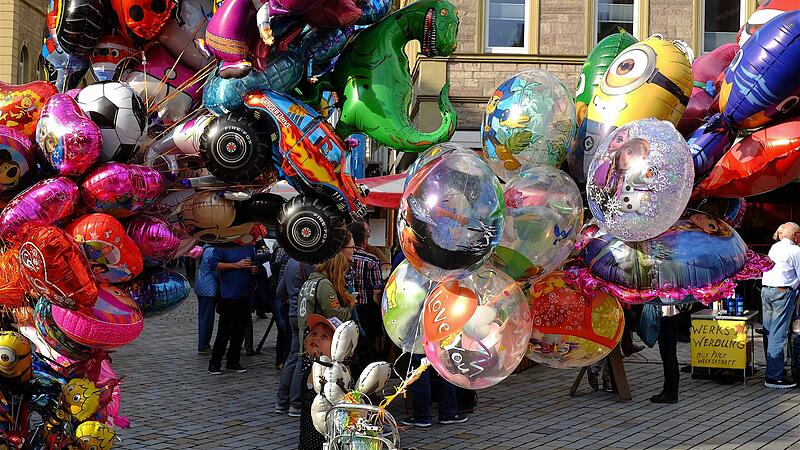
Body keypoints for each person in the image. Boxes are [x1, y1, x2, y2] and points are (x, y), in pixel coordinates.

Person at [275, 255, 316, 417]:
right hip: (304, 314)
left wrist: (291, 299)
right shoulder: (308, 262)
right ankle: (296, 403)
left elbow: (280, 291)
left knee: (292, 357)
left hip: (292, 313)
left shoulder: (291, 262)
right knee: (301, 358)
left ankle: (282, 401)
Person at [207, 243, 257, 375]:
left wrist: (253, 269)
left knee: (240, 330)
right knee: (224, 330)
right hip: (228, 295)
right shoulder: (224, 246)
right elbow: (214, 265)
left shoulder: (249, 246)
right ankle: (215, 363)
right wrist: (236, 265)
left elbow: (252, 263)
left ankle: (233, 361)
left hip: (244, 294)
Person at [761, 222, 800, 388]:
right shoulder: (796, 250)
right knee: (778, 334)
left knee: (769, 332)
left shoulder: (774, 248)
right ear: (795, 235)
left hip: (766, 290)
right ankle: (774, 377)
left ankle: (773, 369)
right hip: (782, 292)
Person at [297, 241, 356, 342]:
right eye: (343, 271)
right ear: (336, 269)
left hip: (307, 334)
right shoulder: (324, 285)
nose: (343, 275)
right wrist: (351, 305)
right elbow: (335, 315)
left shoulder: (310, 281)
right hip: (318, 338)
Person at [297, 314, 336, 450]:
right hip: (306, 443)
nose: (316, 338)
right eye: (313, 333)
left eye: (324, 336)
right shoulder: (309, 370)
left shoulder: (334, 375)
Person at [347, 222, 385, 353]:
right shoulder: (372, 260)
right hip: (366, 309)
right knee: (367, 344)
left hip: (347, 307)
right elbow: (377, 292)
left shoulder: (341, 258)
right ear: (364, 239)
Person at [401, 354, 468, 427]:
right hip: (437, 348)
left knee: (421, 377)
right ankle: (448, 413)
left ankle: (421, 416)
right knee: (442, 373)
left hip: (419, 348)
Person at [651, 305, 681, 403]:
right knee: (669, 353)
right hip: (672, 313)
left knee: (668, 354)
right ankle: (669, 390)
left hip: (668, 314)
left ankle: (670, 393)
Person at [194, 245, 218, 354]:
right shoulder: (211, 251)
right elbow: (215, 269)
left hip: (202, 286)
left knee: (205, 317)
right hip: (208, 288)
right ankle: (203, 345)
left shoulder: (205, 249)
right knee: (207, 319)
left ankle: (204, 344)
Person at [270, 244, 291, 368]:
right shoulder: (283, 252)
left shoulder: (285, 253)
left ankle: (282, 360)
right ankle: (282, 360)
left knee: (284, 329)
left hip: (284, 295)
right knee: (284, 328)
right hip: (283, 296)